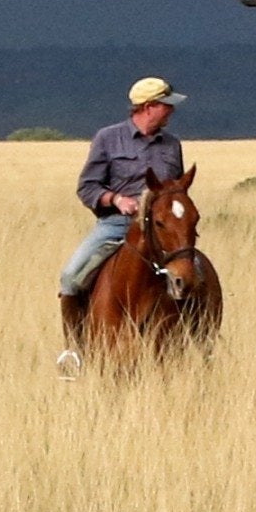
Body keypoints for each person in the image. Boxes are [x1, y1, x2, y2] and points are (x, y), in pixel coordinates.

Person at [58, 76, 189, 375]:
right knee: (70, 278)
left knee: (194, 275)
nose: (171, 111)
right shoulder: (108, 138)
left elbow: (177, 189)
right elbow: (87, 187)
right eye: (167, 106)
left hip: (161, 230)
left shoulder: (172, 145)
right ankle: (74, 351)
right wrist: (116, 200)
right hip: (117, 224)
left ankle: (197, 341)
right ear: (148, 107)